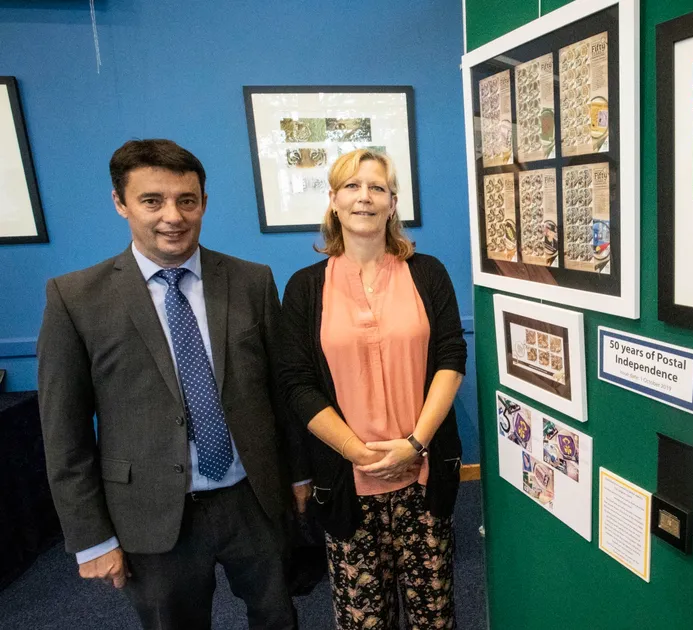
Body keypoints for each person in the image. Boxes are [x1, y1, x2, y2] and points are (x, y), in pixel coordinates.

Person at [37, 139, 310, 629]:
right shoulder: (75, 299)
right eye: (151, 200)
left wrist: (299, 475)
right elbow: (64, 434)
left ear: (203, 202)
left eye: (187, 200)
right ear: (120, 203)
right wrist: (92, 538)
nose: (173, 216)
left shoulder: (252, 280)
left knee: (278, 616)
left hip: (252, 497)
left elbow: (279, 393)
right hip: (150, 513)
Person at [277, 149, 467, 629]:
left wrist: (414, 444)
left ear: (392, 202)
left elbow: (451, 358)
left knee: (433, 616)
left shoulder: (428, 273)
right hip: (347, 481)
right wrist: (359, 454)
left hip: (422, 473)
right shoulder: (304, 287)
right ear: (334, 200)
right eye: (352, 186)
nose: (365, 197)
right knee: (363, 619)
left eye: (376, 187)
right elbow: (297, 384)